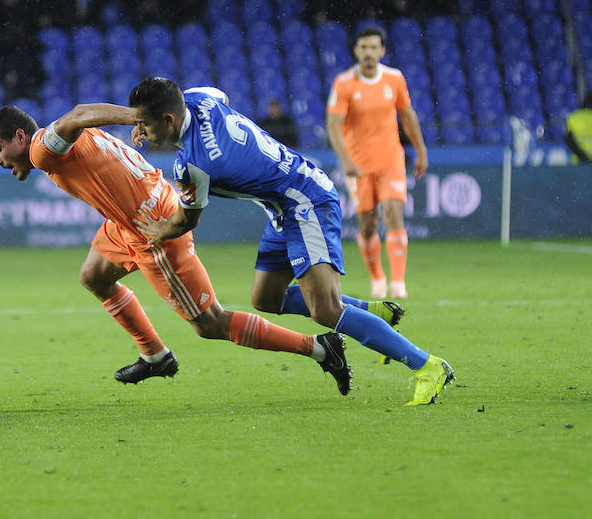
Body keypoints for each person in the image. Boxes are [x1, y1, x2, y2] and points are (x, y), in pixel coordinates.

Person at [119, 77, 454, 406]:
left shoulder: (194, 164)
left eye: (144, 124)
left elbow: (187, 220)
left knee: (326, 309)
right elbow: (221, 96)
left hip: (306, 203)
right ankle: (372, 312)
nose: (140, 131)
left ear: (168, 119)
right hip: (282, 207)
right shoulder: (199, 98)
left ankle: (426, 366)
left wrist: (159, 231)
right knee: (266, 298)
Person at [0, 104, 353, 395]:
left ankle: (320, 347)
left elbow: (78, 114)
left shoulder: (42, 151)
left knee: (211, 324)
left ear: (19, 136)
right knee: (94, 276)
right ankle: (155, 355)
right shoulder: (56, 144)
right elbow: (82, 120)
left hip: (151, 227)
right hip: (131, 218)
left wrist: (137, 117)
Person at [326, 26, 428, 300]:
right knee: (367, 223)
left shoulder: (394, 79)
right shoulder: (344, 83)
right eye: (364, 47)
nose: (369, 53)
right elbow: (333, 126)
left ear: (382, 50)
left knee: (393, 211)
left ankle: (398, 282)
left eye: (373, 47)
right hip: (358, 165)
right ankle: (377, 277)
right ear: (356, 51)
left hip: (391, 160)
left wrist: (421, 150)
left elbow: (407, 116)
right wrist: (345, 160)